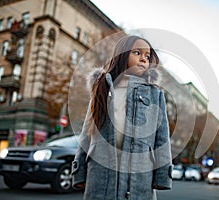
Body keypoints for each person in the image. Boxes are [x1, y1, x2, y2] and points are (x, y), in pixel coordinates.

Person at [71, 35, 172, 200]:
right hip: (100, 174)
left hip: (139, 177)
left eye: (147, 56)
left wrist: (162, 175)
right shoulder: (101, 90)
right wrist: (79, 172)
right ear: (122, 55)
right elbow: (86, 134)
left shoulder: (155, 94)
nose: (143, 59)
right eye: (137, 52)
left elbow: (162, 139)